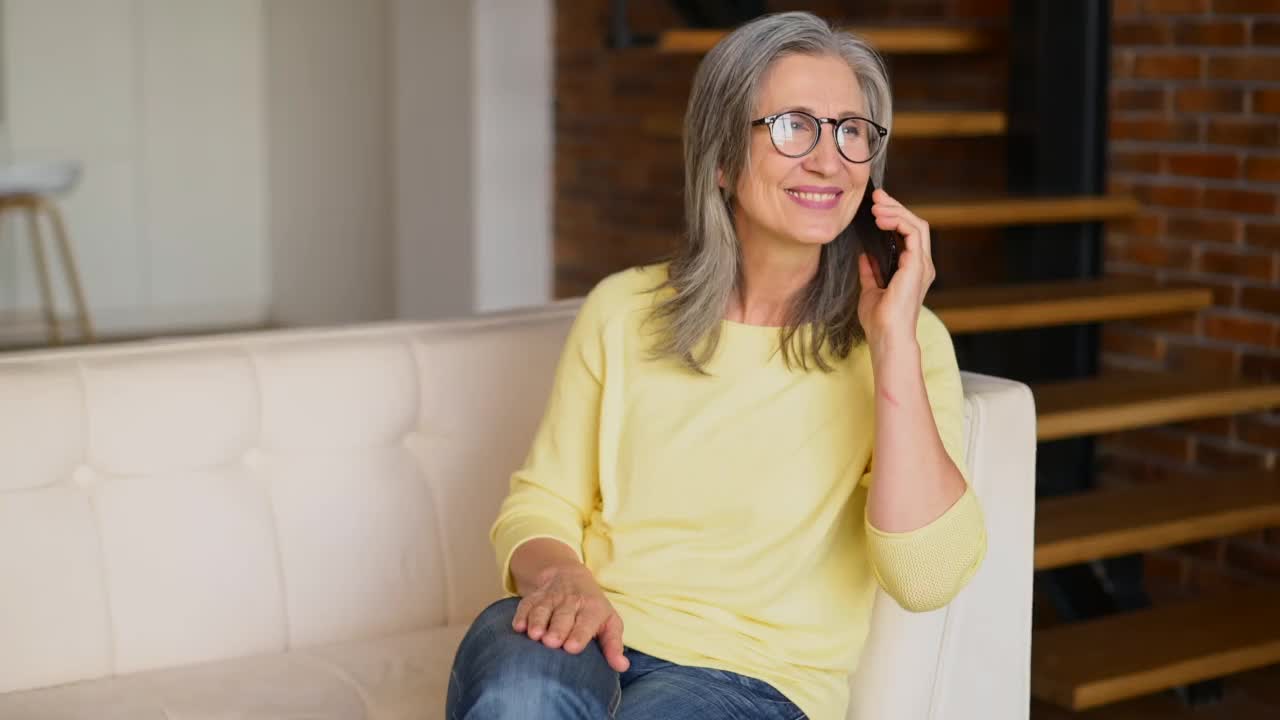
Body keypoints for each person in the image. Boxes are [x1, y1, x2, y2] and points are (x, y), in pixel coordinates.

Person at [445, 10, 987, 720]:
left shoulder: (904, 342)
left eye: (852, 132)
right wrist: (566, 578)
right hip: (581, 631)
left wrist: (891, 345)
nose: (830, 160)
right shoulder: (623, 310)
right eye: (795, 125)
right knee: (522, 697)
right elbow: (540, 505)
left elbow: (927, 576)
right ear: (723, 159)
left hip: (748, 683)